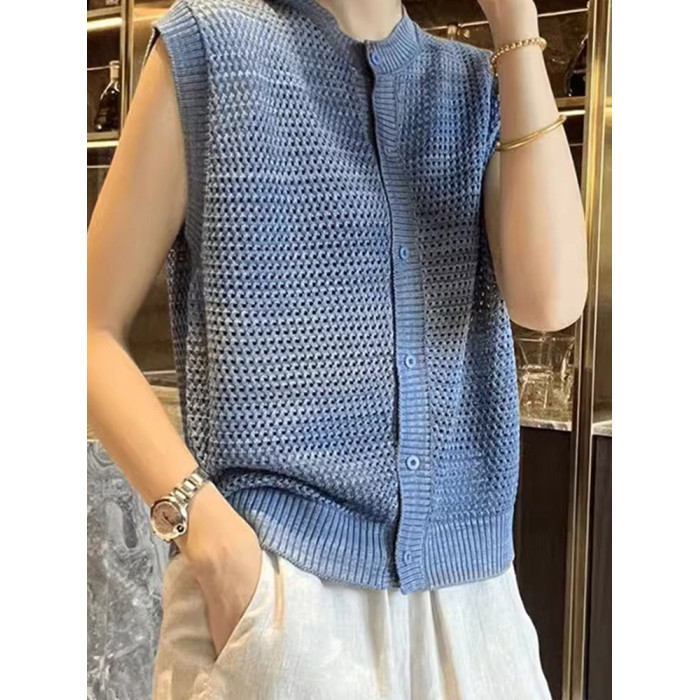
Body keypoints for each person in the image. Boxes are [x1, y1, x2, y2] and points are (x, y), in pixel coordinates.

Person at [86, 0, 587, 698]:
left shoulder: (476, 85)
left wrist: (516, 27)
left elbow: (551, 301)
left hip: (474, 602)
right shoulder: (212, 49)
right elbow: (85, 329)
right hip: (279, 592)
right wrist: (212, 540)